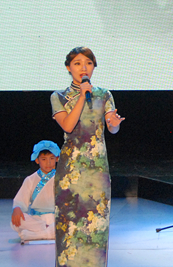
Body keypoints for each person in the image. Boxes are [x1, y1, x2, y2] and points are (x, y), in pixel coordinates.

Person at [51, 47, 124, 267]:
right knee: (70, 230)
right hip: (70, 172)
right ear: (68, 67)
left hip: (97, 171)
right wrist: (82, 96)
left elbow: (112, 128)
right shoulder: (59, 96)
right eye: (77, 63)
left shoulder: (104, 94)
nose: (84, 68)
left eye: (88, 63)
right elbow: (68, 125)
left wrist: (114, 124)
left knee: (96, 229)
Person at [11, 140, 60, 242]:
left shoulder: (63, 178)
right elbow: (20, 200)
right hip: (37, 220)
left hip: (57, 218)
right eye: (44, 159)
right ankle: (50, 232)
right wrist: (17, 208)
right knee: (16, 221)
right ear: (37, 160)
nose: (48, 163)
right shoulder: (30, 180)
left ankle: (33, 235)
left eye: (52, 158)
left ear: (57, 159)